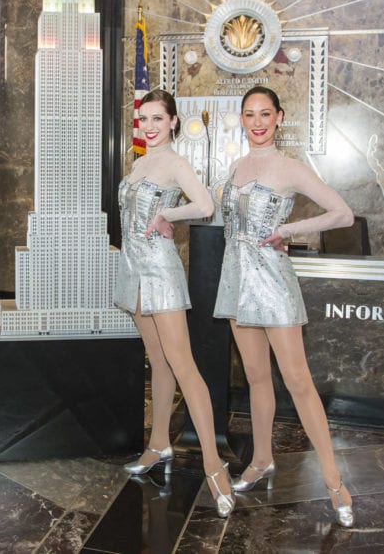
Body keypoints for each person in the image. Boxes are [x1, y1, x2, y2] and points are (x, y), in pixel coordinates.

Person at [214, 85, 356, 527]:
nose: (257, 122)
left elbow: (342, 213)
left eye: (265, 114)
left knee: (298, 382)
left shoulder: (290, 167)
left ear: (279, 117)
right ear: (242, 118)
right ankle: (261, 459)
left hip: (272, 283)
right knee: (256, 378)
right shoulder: (236, 166)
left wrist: (289, 229)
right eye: (249, 114)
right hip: (237, 282)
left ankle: (335, 483)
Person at [114, 88, 233, 518]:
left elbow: (204, 204)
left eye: (157, 119)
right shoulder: (140, 162)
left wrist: (168, 216)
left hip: (161, 273)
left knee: (183, 366)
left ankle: (214, 466)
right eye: (143, 119)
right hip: (133, 271)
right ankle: (158, 443)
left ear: (173, 122)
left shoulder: (176, 163)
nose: (148, 126)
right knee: (158, 365)